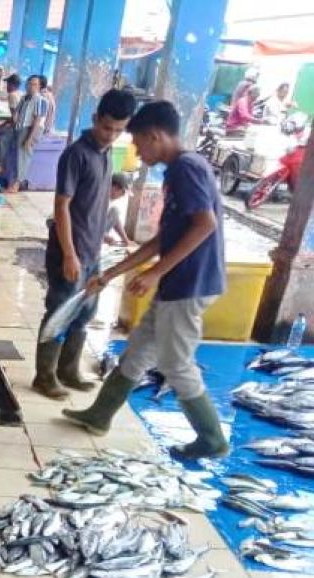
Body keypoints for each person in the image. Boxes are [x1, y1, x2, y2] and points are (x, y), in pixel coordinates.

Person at [64, 101, 229, 459]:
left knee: (175, 363)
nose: (137, 152)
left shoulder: (187, 168)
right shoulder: (177, 171)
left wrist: (156, 272)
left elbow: (205, 225)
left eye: (139, 143)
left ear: (155, 135)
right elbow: (163, 239)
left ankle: (212, 439)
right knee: (139, 348)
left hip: (190, 285)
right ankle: (99, 414)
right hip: (177, 283)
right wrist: (113, 273)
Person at [32, 89, 137, 400]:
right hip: (70, 252)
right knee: (60, 312)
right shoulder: (76, 154)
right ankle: (45, 376)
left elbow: (97, 203)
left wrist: (101, 236)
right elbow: (62, 205)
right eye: (107, 128)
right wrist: (69, 254)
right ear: (95, 120)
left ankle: (68, 370)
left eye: (119, 131)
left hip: (92, 252)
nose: (111, 136)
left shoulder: (107, 156)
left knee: (84, 314)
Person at [3, 74, 48, 193]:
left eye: (34, 84)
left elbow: (37, 120)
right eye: (29, 83)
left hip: (30, 129)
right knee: (14, 155)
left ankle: (16, 184)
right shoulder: (24, 98)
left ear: (40, 87)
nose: (30, 86)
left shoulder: (40, 100)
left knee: (22, 157)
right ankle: (11, 181)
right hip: (20, 128)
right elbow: (16, 114)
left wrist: (30, 138)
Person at [105, 173, 132, 248]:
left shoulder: (108, 200)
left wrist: (126, 240)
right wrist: (105, 236)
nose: (122, 196)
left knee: (115, 211)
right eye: (123, 192)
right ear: (115, 187)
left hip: (96, 231)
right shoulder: (99, 198)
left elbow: (115, 219)